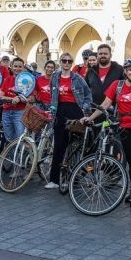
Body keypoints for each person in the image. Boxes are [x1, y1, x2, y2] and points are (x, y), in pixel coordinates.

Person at [82, 57, 131, 207]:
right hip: (126, 127)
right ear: (125, 72)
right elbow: (105, 103)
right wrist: (91, 117)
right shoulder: (117, 85)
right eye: (130, 70)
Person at [45, 52, 92, 190]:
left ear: (71, 63)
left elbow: (88, 95)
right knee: (59, 145)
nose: (66, 63)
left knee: (75, 146)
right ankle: (54, 179)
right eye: (64, 60)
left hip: (75, 111)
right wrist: (52, 110)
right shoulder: (55, 76)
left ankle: (73, 178)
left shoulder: (78, 78)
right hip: (60, 112)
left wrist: (84, 108)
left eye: (69, 61)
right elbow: (53, 95)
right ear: (60, 62)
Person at [0, 58, 27, 141]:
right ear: (11, 67)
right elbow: (1, 96)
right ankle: (12, 155)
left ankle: (20, 154)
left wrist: (19, 98)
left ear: (23, 68)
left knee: (20, 138)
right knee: (9, 139)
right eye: (15, 66)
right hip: (6, 112)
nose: (17, 69)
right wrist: (14, 99)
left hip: (20, 112)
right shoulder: (7, 80)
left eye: (20, 66)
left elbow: (31, 98)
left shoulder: (27, 81)